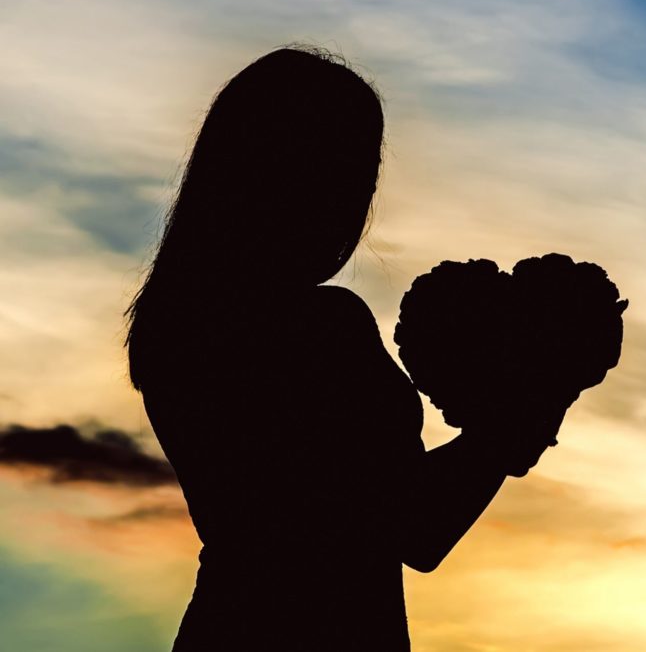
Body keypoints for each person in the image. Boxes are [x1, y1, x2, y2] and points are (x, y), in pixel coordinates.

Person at [125, 46, 561, 651]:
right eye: (345, 165)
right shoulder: (316, 328)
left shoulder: (175, 325)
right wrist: (531, 401)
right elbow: (415, 525)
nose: (357, 195)